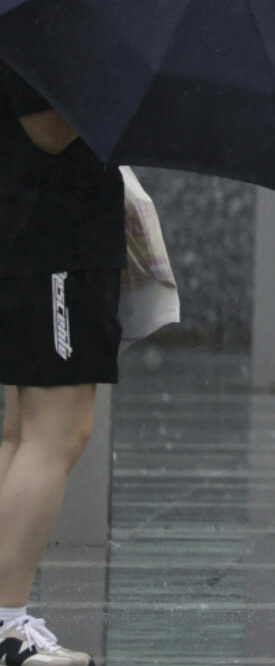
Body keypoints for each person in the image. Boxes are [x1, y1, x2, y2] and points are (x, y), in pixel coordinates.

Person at [0, 58, 124, 666]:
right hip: (51, 235)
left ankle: (3, 617)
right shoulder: (46, 10)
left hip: (41, 231)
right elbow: (46, 127)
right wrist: (121, 75)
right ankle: (4, 626)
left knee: (25, 433)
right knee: (57, 430)